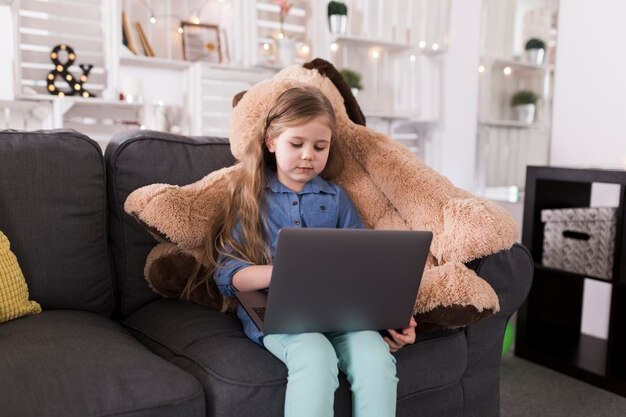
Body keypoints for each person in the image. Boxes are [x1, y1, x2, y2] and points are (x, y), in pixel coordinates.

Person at [183, 85, 417, 417]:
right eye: (297, 144)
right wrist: (285, 270)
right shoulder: (250, 196)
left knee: (376, 359)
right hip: (275, 312)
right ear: (271, 142)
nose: (308, 155)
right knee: (316, 357)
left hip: (338, 309)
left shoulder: (336, 198)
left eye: (319, 147)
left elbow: (364, 265)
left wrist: (386, 321)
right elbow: (228, 275)